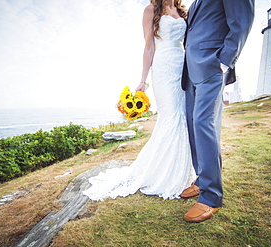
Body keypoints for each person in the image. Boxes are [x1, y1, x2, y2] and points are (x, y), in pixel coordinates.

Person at [83, 0, 196, 201]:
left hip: (183, 65)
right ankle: (163, 173)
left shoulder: (181, 10)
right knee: (170, 117)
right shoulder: (151, 10)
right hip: (163, 67)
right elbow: (149, 47)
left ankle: (182, 169)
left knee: (183, 116)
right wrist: (142, 80)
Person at [181, 0, 255, 222]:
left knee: (204, 124)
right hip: (191, 69)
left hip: (212, 65)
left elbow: (242, 22)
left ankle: (211, 196)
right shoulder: (193, 4)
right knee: (193, 122)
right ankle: (202, 179)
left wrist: (224, 62)